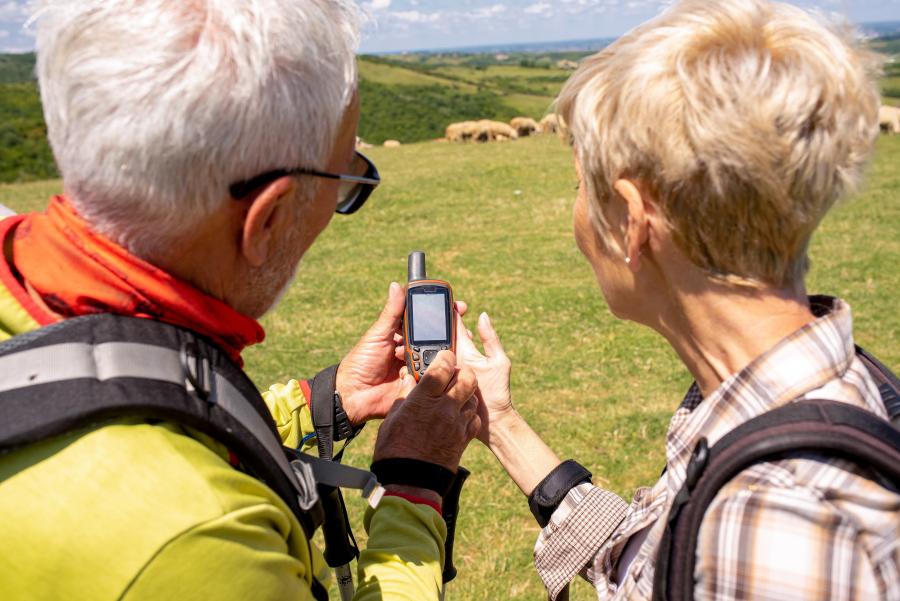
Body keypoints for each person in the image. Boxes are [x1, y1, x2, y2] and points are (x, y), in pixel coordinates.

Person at [0, 1, 481, 600]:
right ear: (269, 219)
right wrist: (413, 482)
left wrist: (325, 403)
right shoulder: (192, 543)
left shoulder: (27, 290)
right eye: (344, 181)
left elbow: (111, 390)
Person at [456, 0, 900, 599]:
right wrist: (503, 424)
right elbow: (657, 561)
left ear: (634, 222)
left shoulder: (778, 519)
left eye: (579, 187)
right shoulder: (785, 404)